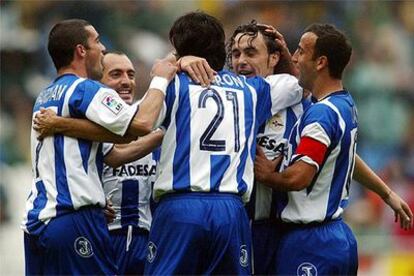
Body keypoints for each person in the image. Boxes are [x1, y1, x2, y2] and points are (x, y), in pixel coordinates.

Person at [228, 21, 413, 274]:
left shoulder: (305, 104)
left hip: (290, 231)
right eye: (235, 54)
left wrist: (269, 177)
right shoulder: (228, 106)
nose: (241, 61)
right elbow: (338, 153)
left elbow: (330, 156)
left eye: (251, 53)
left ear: (273, 58)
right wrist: (387, 193)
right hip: (247, 229)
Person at [145, 11, 303, 275]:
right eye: (236, 53)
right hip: (230, 212)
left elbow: (138, 122)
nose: (241, 60)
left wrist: (172, 63)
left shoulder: (172, 85)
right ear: (221, 49)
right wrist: (284, 52)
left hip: (180, 207)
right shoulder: (251, 90)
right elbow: (296, 83)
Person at [21, 19, 175, 275]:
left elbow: (115, 152)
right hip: (74, 219)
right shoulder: (87, 89)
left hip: (39, 221)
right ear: (81, 50)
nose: (103, 49)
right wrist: (160, 80)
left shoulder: (46, 95)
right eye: (98, 42)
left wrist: (61, 124)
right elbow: (142, 123)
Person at [253, 23, 359, 275]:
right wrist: (386, 194)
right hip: (337, 236)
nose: (295, 57)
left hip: (312, 241)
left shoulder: (321, 115)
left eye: (300, 51)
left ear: (321, 62)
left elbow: (300, 176)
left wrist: (269, 176)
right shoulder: (343, 104)